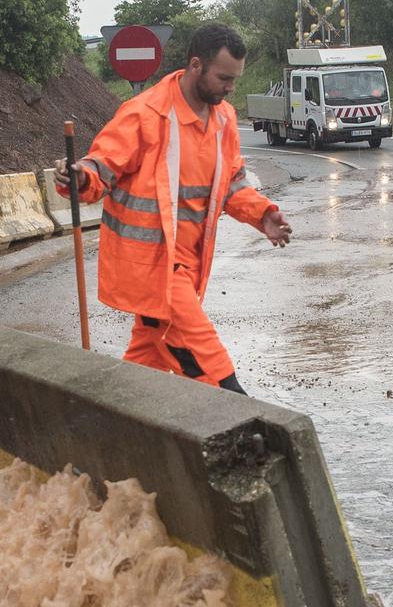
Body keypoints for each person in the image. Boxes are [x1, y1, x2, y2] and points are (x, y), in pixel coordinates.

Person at [57, 23, 291, 393]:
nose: (231, 88)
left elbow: (231, 183)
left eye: (235, 79)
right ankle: (240, 426)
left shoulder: (224, 119)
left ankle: (109, 429)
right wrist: (81, 178)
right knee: (209, 367)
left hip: (190, 265)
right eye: (224, 78)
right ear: (196, 66)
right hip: (154, 270)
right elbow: (101, 166)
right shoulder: (145, 114)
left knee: (143, 367)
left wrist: (262, 214)